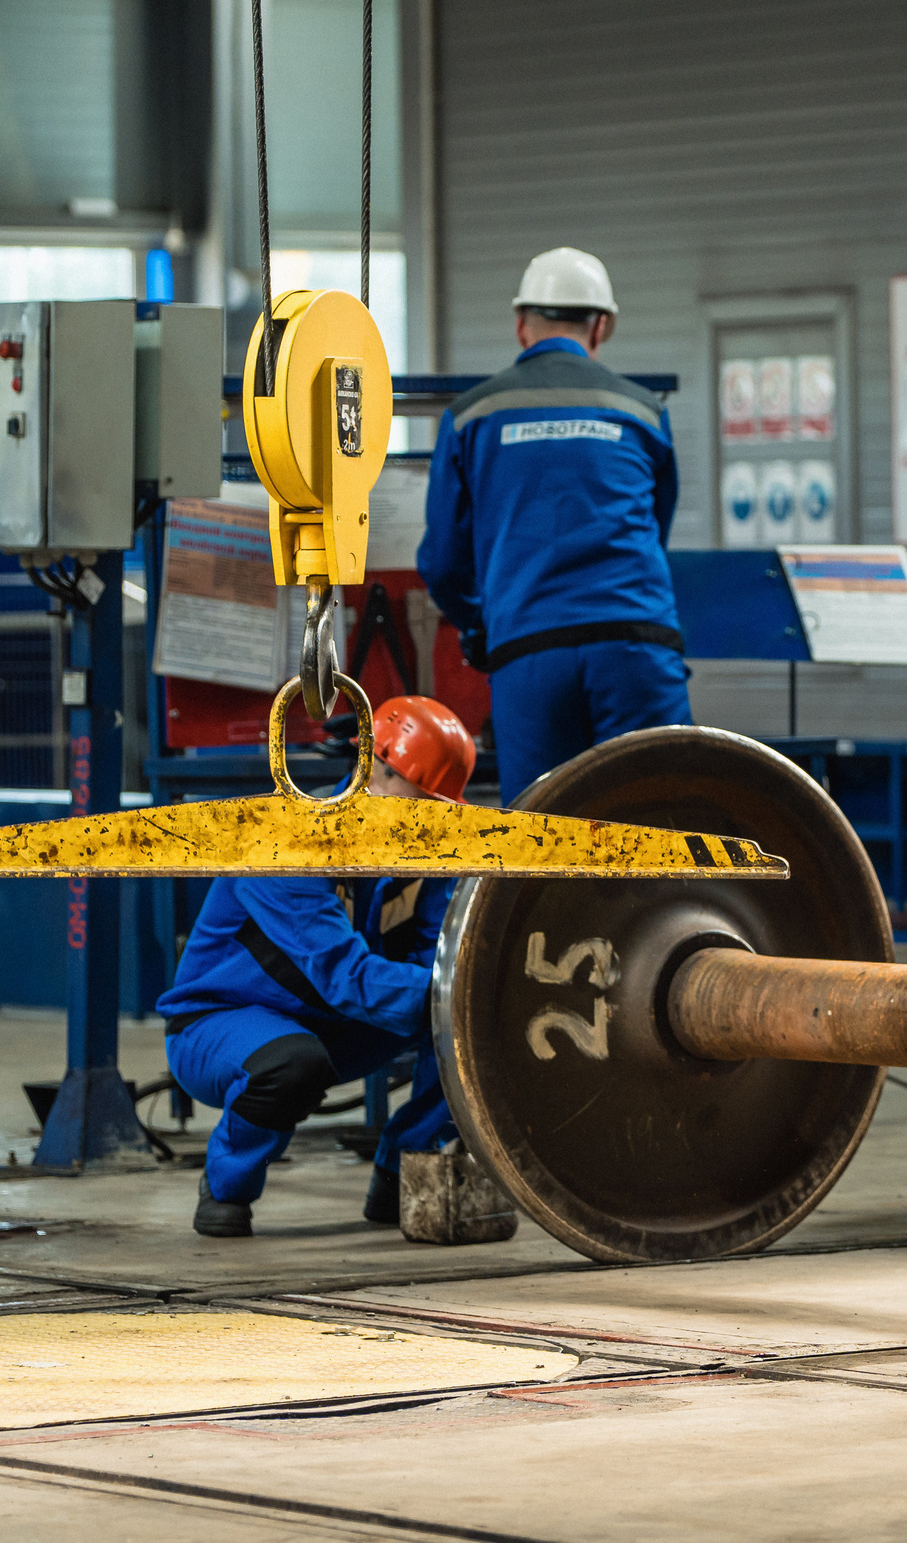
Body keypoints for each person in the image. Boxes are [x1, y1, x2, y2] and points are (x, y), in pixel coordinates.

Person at [160, 696, 479, 1237]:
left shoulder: (422, 859)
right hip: (222, 1024)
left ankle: (405, 1175)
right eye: (419, 800)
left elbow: (437, 962)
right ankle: (227, 1187)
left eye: (437, 806)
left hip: (333, 1024)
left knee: (464, 1029)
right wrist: (459, 991)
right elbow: (345, 975)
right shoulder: (285, 842)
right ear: (370, 771)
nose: (427, 819)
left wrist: (470, 997)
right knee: (294, 1063)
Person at [418, 246, 689, 804]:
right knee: (662, 823)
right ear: (603, 325)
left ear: (521, 325)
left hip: (529, 653)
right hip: (634, 648)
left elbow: (442, 562)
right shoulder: (642, 412)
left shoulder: (472, 416)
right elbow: (655, 532)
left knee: (543, 841)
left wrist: (483, 630)